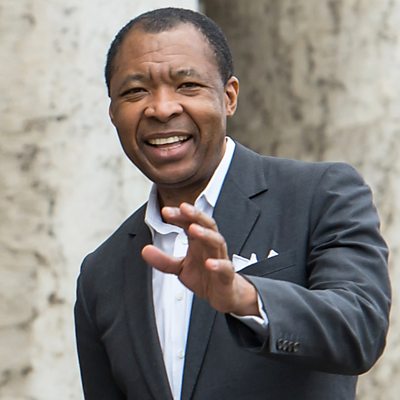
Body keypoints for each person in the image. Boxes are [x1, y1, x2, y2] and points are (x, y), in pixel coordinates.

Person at [74, 7, 391, 400]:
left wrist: (244, 297)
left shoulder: (320, 195)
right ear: (112, 112)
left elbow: (359, 330)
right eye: (135, 91)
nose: (162, 108)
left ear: (229, 97)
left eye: (187, 85)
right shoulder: (100, 274)